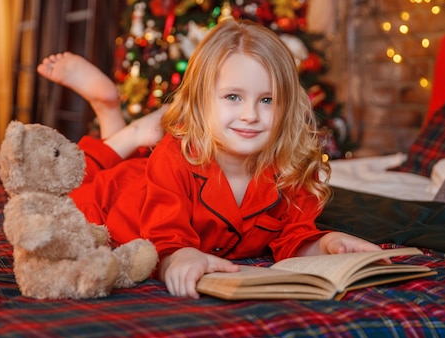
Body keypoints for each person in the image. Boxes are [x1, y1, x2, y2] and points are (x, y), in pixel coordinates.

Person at [37, 19, 381, 299]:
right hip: (116, 199)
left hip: (152, 172)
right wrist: (179, 257)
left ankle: (129, 129)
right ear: (201, 102)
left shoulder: (288, 168)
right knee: (52, 200)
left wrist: (327, 244)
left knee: (137, 164)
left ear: (286, 106)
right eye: (233, 96)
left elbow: (294, 240)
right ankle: (113, 113)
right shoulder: (173, 158)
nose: (250, 115)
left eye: (267, 100)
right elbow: (166, 239)